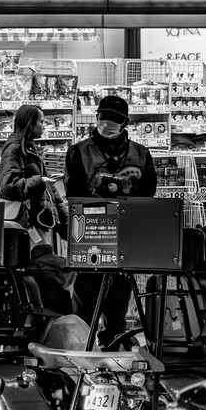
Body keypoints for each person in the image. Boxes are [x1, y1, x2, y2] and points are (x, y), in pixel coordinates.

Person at [64, 94, 158, 348]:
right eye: (103, 116)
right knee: (87, 291)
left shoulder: (141, 153)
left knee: (120, 289)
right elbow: (75, 194)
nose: (107, 122)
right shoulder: (78, 151)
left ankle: (114, 338)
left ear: (125, 122)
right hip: (90, 233)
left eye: (114, 118)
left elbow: (148, 194)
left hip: (125, 234)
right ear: (97, 117)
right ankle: (81, 341)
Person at [0, 104, 66, 246]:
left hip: (36, 220)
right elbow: (8, 185)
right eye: (41, 122)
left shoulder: (29, 148)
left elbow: (50, 190)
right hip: (24, 222)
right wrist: (39, 181)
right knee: (41, 256)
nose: (44, 126)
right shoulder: (14, 149)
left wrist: (65, 222)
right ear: (30, 124)